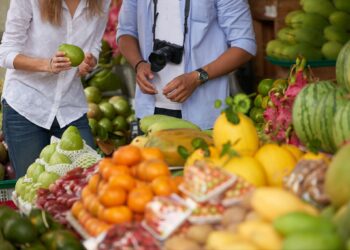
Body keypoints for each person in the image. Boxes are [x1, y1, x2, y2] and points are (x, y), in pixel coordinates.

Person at [0, 0, 111, 178]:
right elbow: (5, 53)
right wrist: (47, 65)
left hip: (70, 108)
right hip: (26, 107)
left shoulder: (100, 2)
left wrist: (89, 61)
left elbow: (94, 46)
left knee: (86, 184)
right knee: (35, 190)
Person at [117, 0, 256, 130]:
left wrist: (198, 77)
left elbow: (244, 45)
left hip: (202, 116)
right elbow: (126, 32)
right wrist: (139, 64)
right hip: (149, 111)